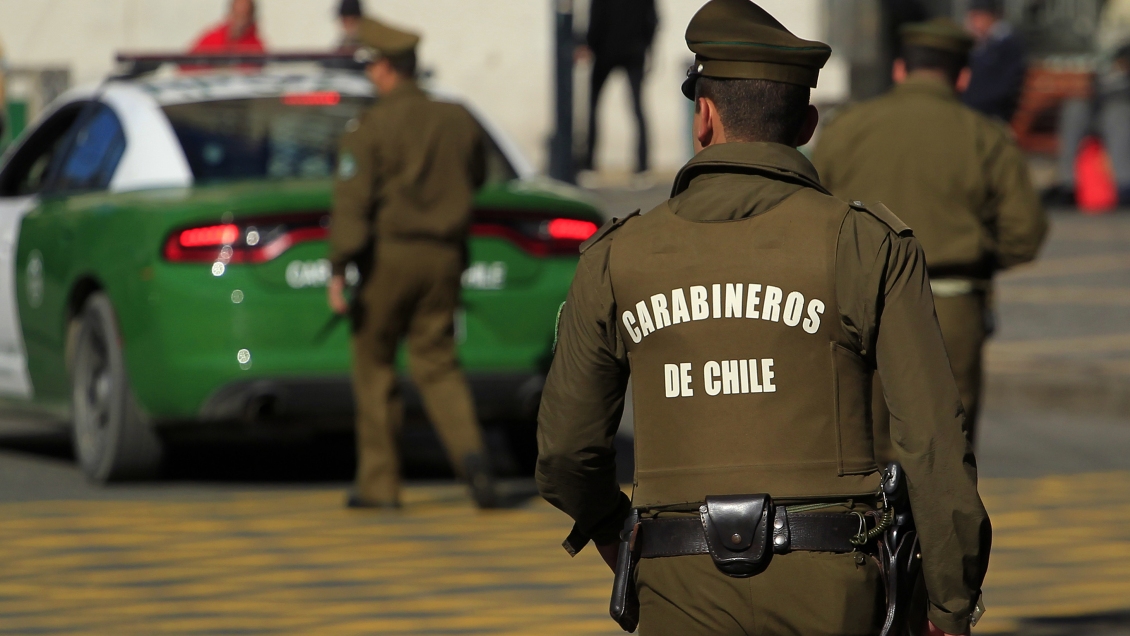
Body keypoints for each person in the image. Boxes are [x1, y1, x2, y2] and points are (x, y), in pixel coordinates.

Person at [537, 2, 990, 634]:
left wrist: (615, 533)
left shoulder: (617, 256)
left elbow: (564, 451)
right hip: (834, 584)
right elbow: (934, 442)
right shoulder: (866, 245)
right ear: (806, 124)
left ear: (703, 116)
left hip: (677, 580)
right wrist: (950, 601)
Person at [813, 18, 1046, 463]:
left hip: (860, 306)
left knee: (862, 451)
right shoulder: (984, 136)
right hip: (950, 307)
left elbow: (813, 211)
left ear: (900, 69)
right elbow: (1024, 233)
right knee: (943, 455)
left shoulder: (846, 128)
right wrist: (977, 255)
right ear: (963, 76)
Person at [327, 17, 497, 509]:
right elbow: (479, 175)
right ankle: (472, 458)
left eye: (371, 66)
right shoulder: (456, 117)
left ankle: (379, 485)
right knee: (438, 362)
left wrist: (338, 268)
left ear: (385, 68)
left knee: (375, 363)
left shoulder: (370, 127)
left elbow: (353, 205)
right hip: (444, 257)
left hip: (389, 256)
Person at [1046, 0, 1130, 206]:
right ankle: (1069, 184)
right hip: (1103, 98)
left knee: (1117, 113)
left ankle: (1124, 185)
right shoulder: (1103, 27)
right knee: (1075, 108)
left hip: (1121, 103)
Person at [580, 0, 658, 175]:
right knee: (637, 108)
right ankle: (643, 166)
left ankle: (589, 164)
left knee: (594, 107)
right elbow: (652, 20)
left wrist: (590, 44)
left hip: (605, 51)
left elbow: (596, 18)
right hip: (634, 51)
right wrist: (647, 48)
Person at [962, 0, 1027, 122]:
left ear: (990, 16)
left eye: (976, 17)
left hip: (993, 114)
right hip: (975, 110)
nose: (972, 23)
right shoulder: (979, 44)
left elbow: (1000, 90)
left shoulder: (1006, 45)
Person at [190, 0, 265, 55]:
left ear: (251, 18)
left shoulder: (255, 48)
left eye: (244, 16)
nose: (240, 22)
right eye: (236, 15)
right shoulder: (212, 39)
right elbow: (189, 62)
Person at [325, 0, 367, 72]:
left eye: (352, 21)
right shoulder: (340, 48)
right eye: (345, 21)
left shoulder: (368, 48)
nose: (348, 25)